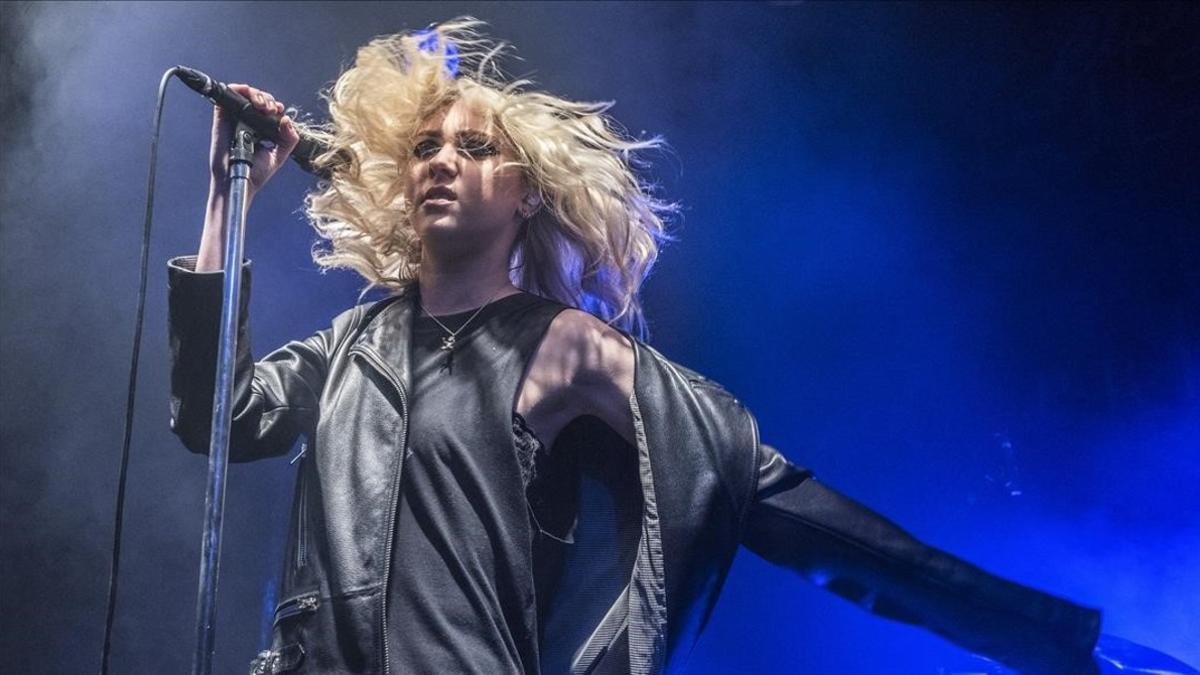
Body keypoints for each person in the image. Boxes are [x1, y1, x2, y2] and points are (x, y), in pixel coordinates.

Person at [168, 18, 1102, 675]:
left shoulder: (559, 346)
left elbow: (760, 490)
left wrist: (1038, 636)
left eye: (476, 147)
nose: (443, 160)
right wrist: (227, 197)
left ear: (527, 191)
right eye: (424, 147)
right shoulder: (354, 343)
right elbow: (218, 415)